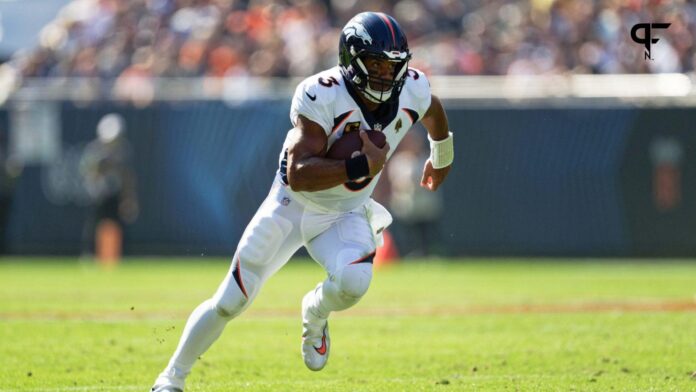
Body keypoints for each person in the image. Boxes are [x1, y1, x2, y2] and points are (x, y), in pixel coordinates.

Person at [151, 11, 454, 392]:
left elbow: (433, 111)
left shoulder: (411, 86)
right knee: (230, 301)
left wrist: (442, 154)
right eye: (375, 63)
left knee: (355, 280)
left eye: (393, 66)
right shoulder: (322, 93)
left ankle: (315, 311)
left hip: (344, 212)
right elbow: (299, 173)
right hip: (291, 206)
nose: (385, 75)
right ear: (351, 60)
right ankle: (171, 378)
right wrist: (360, 164)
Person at [80, 113, 138, 263]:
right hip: (99, 193)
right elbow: (90, 174)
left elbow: (126, 176)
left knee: (119, 224)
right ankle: (90, 254)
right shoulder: (94, 150)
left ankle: (120, 255)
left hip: (115, 192)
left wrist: (128, 198)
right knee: (95, 224)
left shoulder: (123, 150)